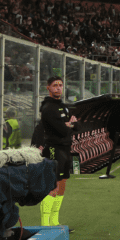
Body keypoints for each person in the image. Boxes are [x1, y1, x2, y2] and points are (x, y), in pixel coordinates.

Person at [37, 76, 78, 229]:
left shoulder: (63, 106)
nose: (58, 88)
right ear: (48, 87)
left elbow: (76, 125)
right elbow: (61, 130)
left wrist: (70, 125)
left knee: (62, 184)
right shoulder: (48, 108)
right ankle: (45, 224)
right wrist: (68, 125)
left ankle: (54, 221)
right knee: (52, 185)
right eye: (55, 85)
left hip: (66, 149)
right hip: (54, 149)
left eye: (60, 85)